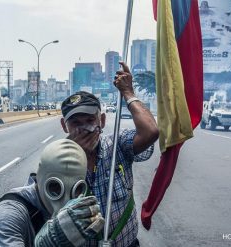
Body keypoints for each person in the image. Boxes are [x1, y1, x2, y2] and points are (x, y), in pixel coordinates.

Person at [60, 62, 159, 247]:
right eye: (75, 123)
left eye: (90, 120)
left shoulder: (117, 146)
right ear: (64, 126)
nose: (85, 129)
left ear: (102, 121)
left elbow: (151, 131)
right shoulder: (56, 159)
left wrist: (128, 93)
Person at [0, 139, 105, 247]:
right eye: (55, 187)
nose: (66, 200)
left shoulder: (79, 214)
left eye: (76, 189)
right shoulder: (8, 216)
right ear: (40, 177)